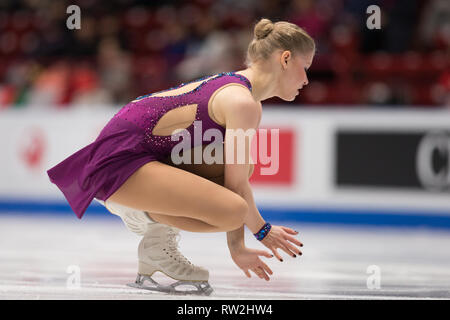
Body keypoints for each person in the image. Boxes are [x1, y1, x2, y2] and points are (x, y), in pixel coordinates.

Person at [47, 18, 315, 295]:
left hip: (137, 151)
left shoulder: (246, 98)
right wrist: (262, 230)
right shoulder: (242, 102)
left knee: (241, 180)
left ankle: (152, 231)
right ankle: (145, 222)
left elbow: (235, 179)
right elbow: (235, 193)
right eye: (305, 68)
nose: (306, 80)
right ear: (285, 59)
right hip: (120, 159)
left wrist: (239, 247)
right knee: (234, 210)